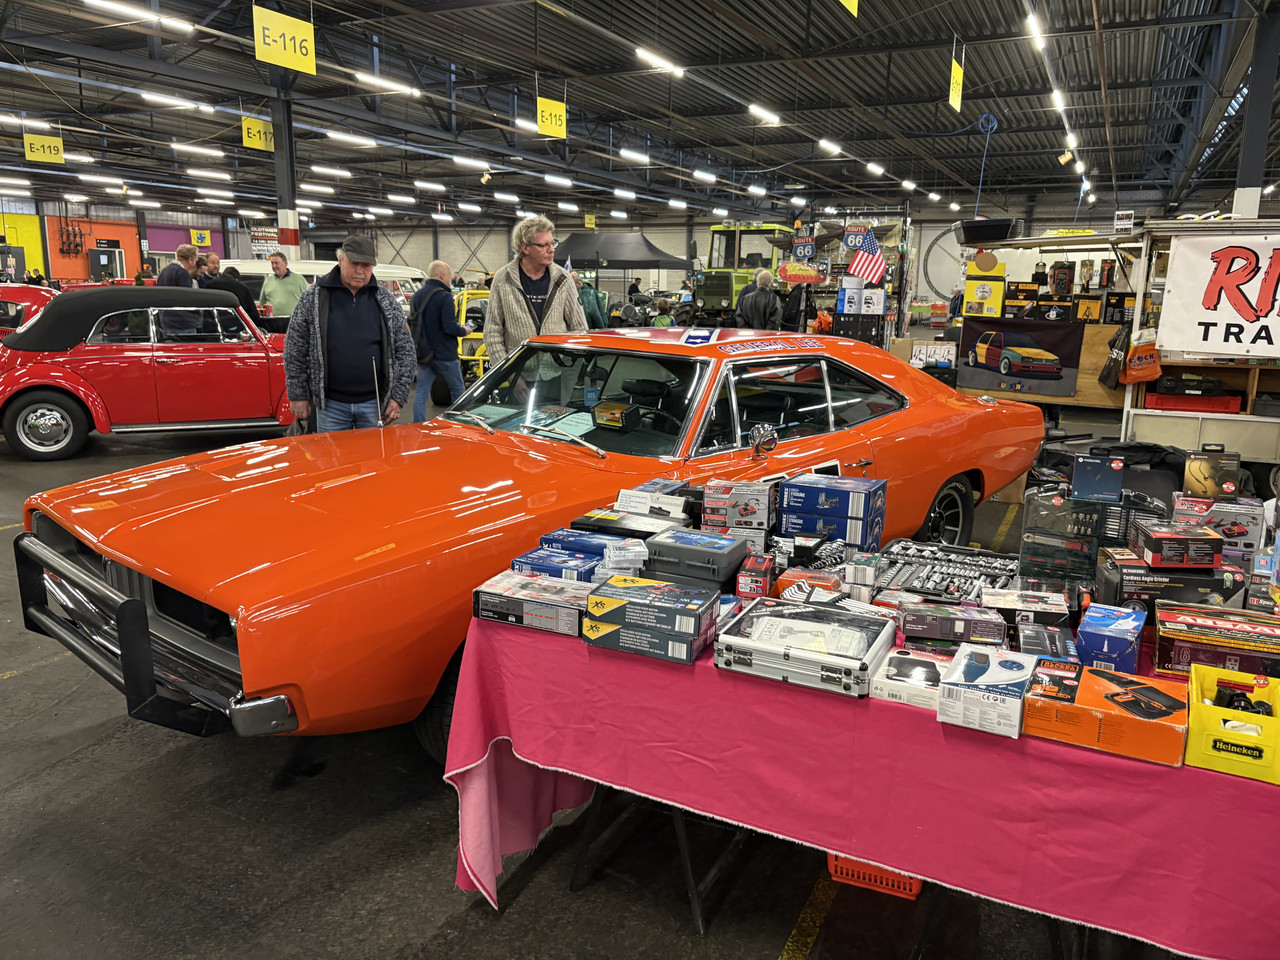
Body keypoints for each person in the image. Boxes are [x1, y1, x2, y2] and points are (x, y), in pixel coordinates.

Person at [284, 235, 415, 433]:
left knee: (372, 454)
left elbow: (406, 351)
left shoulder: (386, 302)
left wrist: (398, 396)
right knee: (331, 454)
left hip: (374, 404)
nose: (360, 271)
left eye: (367, 266)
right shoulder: (313, 298)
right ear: (340, 260)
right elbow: (295, 348)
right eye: (354, 264)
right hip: (330, 406)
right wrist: (298, 394)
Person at [483, 215, 587, 400]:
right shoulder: (503, 280)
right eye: (543, 245)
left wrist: (570, 373)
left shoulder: (563, 279)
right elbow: (492, 334)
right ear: (525, 248)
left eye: (552, 243)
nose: (551, 249)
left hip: (555, 376)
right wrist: (511, 376)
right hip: (517, 377)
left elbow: (580, 330)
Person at [410, 260, 469, 421]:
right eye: (449, 274)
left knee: (421, 394)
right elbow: (449, 327)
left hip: (424, 354)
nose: (451, 278)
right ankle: (458, 424)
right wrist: (464, 331)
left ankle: (418, 426)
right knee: (458, 390)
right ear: (442, 275)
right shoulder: (445, 297)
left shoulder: (417, 296)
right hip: (445, 355)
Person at [259, 250, 310, 319]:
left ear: (285, 263)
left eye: (276, 263)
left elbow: (309, 300)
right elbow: (262, 303)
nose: (274, 266)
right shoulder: (268, 280)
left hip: (293, 320)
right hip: (273, 320)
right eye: (272, 263)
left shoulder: (299, 279)